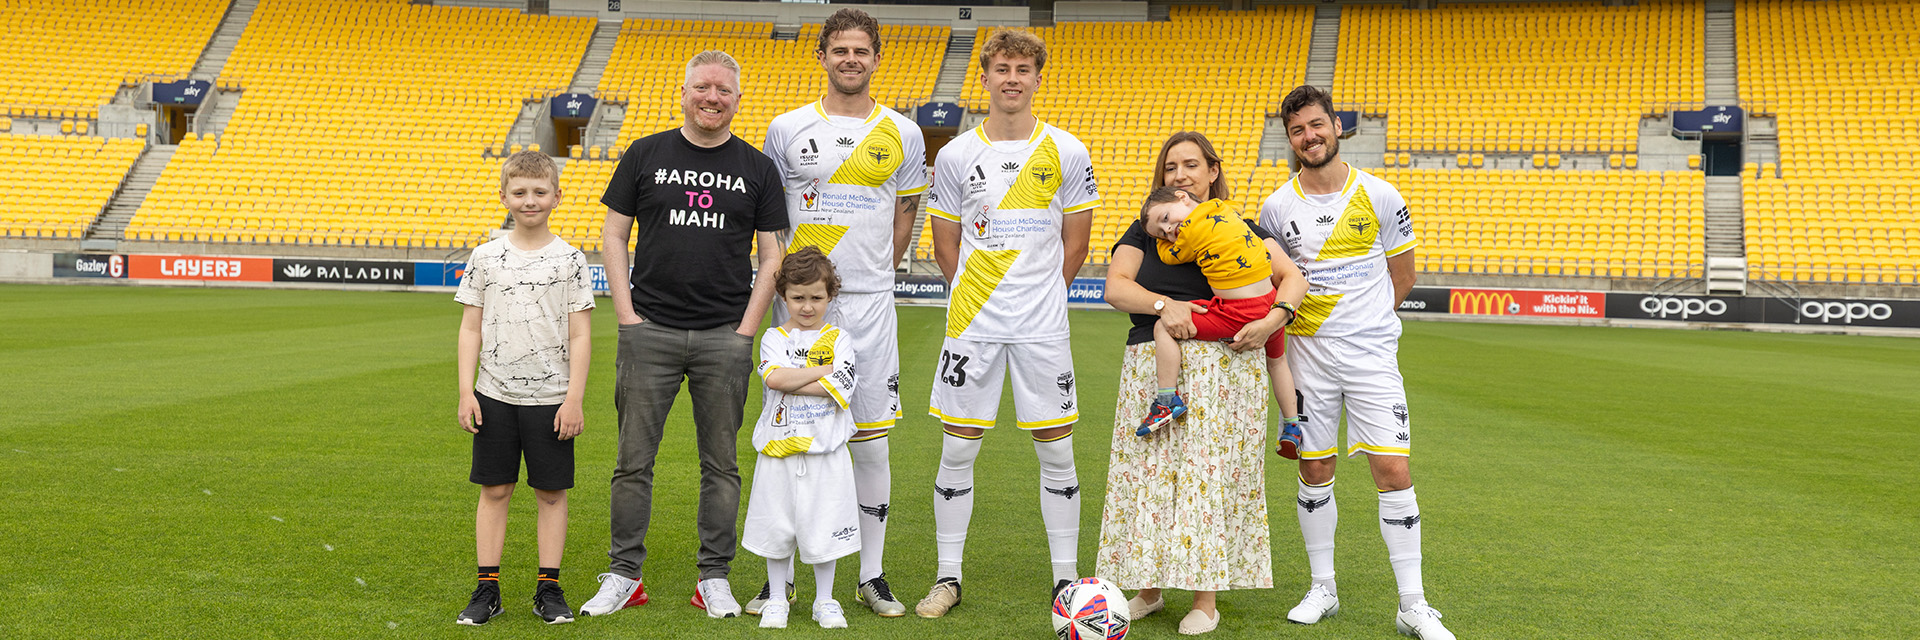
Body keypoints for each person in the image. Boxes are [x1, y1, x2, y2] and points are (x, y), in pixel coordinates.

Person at [583, 50, 789, 620]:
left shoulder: (756, 167)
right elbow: (614, 235)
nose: (712, 98)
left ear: (737, 100)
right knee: (632, 462)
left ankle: (714, 578)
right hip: (649, 332)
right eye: (703, 87)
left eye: (724, 90)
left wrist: (746, 330)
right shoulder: (645, 153)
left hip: (725, 335)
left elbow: (772, 254)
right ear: (684, 92)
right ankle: (624, 574)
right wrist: (625, 315)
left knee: (721, 464)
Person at [915, 28, 1100, 618]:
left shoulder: (1068, 151)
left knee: (1056, 449)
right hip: (973, 323)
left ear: (1037, 78)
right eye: (1002, 68)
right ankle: (948, 577)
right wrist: (977, 295)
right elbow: (946, 245)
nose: (1013, 78)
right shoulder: (955, 154)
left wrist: (1038, 297)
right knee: (958, 447)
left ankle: (1066, 581)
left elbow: (1076, 245)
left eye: (1023, 68)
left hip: (1042, 327)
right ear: (987, 76)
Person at [1259, 85, 1453, 640]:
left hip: (1370, 358)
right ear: (1290, 139)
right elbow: (1276, 279)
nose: (1309, 136)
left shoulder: (1381, 194)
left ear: (1336, 125)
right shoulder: (1277, 207)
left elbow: (1404, 274)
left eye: (1317, 125)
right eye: (1298, 130)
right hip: (1307, 359)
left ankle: (1412, 604)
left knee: (1392, 470)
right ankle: (1323, 587)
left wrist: (1366, 326)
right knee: (1314, 468)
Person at [751, 7, 926, 618]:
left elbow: (906, 214)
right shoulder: (787, 127)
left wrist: (875, 275)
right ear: (823, 56)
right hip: (798, 306)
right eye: (840, 50)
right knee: (790, 438)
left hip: (870, 307)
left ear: (877, 58)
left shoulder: (903, 133)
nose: (851, 60)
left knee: (871, 444)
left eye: (862, 51)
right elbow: (771, 216)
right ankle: (784, 579)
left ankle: (870, 575)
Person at [1096, 131, 1305, 635]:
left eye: (1191, 165)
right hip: (1153, 358)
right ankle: (1148, 588)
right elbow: (1116, 288)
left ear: (1212, 172)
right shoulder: (1147, 227)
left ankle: (1205, 601)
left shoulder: (1243, 224)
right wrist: (1169, 307)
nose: (1180, 175)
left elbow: (1292, 277)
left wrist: (1275, 318)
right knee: (1146, 479)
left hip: (1224, 365)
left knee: (1203, 481)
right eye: (1171, 168)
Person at [453, 151, 595, 626]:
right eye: (520, 192)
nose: (529, 200)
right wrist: (466, 391)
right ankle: (486, 588)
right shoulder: (486, 256)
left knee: (551, 494)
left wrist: (574, 397)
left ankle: (548, 589)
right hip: (493, 396)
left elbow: (580, 334)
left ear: (557, 196)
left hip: (552, 399)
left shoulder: (571, 260)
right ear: (504, 197)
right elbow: (470, 328)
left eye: (539, 192)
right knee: (495, 490)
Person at [743, 247, 863, 630]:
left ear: (830, 296)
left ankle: (825, 601)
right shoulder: (773, 337)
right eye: (798, 298)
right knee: (778, 527)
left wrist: (801, 380)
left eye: (816, 298)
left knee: (824, 526)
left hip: (825, 450)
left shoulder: (840, 338)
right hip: (778, 450)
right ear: (783, 297)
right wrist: (823, 373)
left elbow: (839, 388)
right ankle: (777, 599)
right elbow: (774, 379)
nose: (807, 306)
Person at [1133, 187, 1303, 457]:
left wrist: (1160, 243)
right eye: (1162, 233)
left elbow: (1170, 256)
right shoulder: (1225, 210)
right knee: (1278, 362)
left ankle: (1166, 399)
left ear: (1182, 197)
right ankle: (1292, 425)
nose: (1169, 231)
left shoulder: (1190, 231)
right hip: (1269, 303)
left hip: (1238, 313)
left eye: (1165, 219)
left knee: (1163, 326)